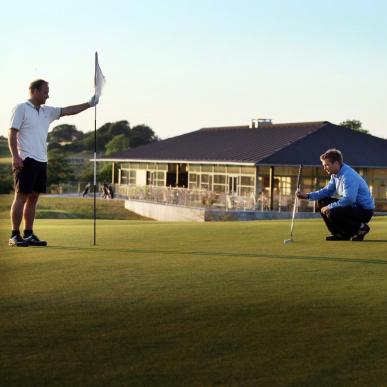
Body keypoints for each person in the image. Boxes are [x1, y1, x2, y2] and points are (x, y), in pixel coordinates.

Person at [8, 79, 99, 247]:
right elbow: (12, 134)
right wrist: (15, 156)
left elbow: (67, 111)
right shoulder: (21, 108)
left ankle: (28, 234)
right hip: (26, 159)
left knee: (33, 198)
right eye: (45, 91)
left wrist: (89, 103)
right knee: (21, 196)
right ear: (34, 91)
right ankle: (14, 235)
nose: (48, 95)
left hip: (42, 160)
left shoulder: (46, 111)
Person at [297, 148, 374, 241]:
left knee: (331, 211)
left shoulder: (348, 175)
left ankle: (360, 227)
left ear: (336, 163)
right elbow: (327, 191)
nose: (324, 168)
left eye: (327, 165)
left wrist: (330, 206)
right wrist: (307, 196)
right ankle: (340, 234)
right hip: (353, 208)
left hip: (363, 211)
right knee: (322, 201)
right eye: (324, 165)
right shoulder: (335, 175)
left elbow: (349, 199)